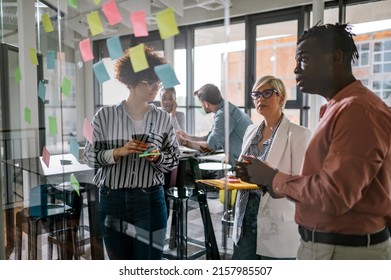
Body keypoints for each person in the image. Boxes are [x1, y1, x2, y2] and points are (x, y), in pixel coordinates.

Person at [234, 23, 391, 260]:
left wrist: (271, 177)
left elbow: (334, 195)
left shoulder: (357, 110)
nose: (296, 69)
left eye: (304, 59)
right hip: (327, 245)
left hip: (345, 251)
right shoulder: (337, 108)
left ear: (335, 58)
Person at [83, 45, 180, 260]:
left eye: (158, 82)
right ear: (131, 81)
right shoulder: (104, 116)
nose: (157, 87)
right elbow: (89, 156)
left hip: (150, 200)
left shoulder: (163, 118)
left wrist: (157, 157)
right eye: (150, 82)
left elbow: (174, 158)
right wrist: (117, 152)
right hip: (112, 199)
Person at [231, 75, 311, 260]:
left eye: (267, 93)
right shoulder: (250, 131)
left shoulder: (299, 134)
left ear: (281, 97)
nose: (260, 99)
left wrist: (269, 175)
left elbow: (301, 184)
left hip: (276, 223)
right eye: (256, 94)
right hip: (245, 218)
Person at [176, 83, 252, 167]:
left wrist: (183, 142)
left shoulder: (224, 115)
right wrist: (187, 137)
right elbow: (209, 139)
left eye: (201, 103)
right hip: (246, 162)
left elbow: (210, 147)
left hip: (244, 166)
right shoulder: (227, 109)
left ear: (206, 103)